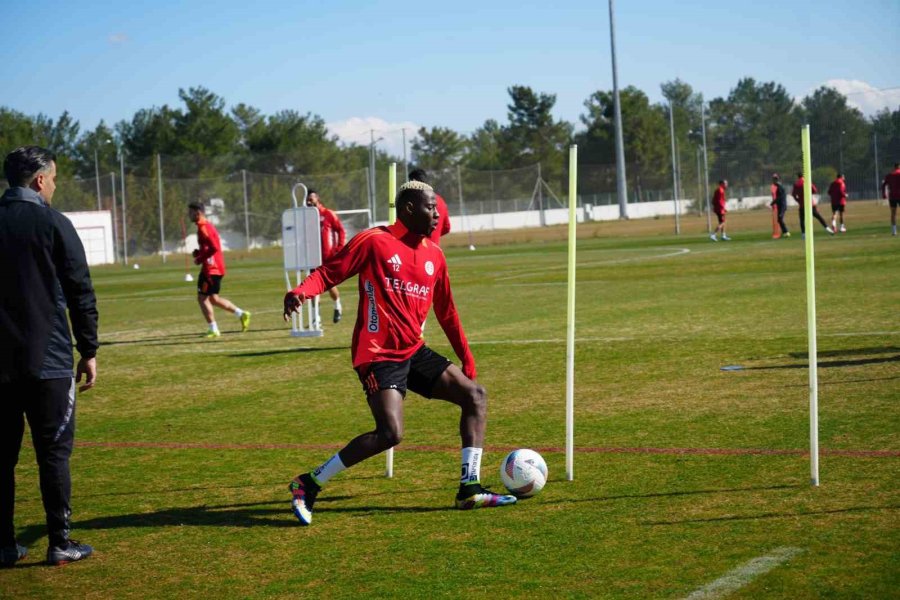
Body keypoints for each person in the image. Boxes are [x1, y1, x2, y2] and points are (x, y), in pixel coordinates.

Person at [282, 180, 516, 526]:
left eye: (437, 208)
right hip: (377, 353)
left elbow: (447, 311)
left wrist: (465, 356)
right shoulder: (375, 241)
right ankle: (309, 483)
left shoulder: (435, 255)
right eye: (430, 208)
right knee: (390, 433)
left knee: (475, 397)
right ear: (408, 209)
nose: (437, 215)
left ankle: (470, 489)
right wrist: (302, 290)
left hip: (413, 350)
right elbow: (333, 270)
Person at [0, 146, 97, 566]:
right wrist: (89, 348)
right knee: (53, 453)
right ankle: (60, 542)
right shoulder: (53, 222)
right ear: (40, 180)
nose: (54, 185)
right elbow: (80, 290)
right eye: (53, 178)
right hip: (49, 361)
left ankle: (4, 545)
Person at [189, 202, 250, 337]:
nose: (189, 215)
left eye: (191, 213)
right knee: (213, 299)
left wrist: (200, 259)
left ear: (198, 213)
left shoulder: (204, 227)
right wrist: (199, 253)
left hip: (211, 269)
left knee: (202, 298)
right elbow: (209, 248)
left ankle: (213, 329)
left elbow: (214, 248)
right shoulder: (205, 226)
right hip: (215, 268)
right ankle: (242, 314)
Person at [305, 190, 346, 324]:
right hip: (312, 257)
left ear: (317, 198)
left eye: (311, 198)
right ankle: (316, 317)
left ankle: (337, 306)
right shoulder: (306, 217)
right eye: (308, 199)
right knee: (313, 287)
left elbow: (340, 230)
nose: (309, 201)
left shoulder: (328, 214)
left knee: (329, 285)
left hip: (327, 257)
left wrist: (338, 248)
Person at [408, 169, 451, 245]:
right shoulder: (441, 200)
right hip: (434, 250)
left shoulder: (414, 202)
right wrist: (434, 236)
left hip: (416, 249)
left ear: (413, 181)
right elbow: (446, 228)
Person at [791, 172, 834, 238]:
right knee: (818, 216)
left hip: (802, 204)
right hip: (810, 203)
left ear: (798, 176)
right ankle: (827, 228)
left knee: (802, 219)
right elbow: (814, 190)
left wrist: (798, 200)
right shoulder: (807, 181)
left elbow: (793, 194)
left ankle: (803, 234)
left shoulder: (796, 184)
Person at [881, 162, 900, 236]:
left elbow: (883, 185)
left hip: (892, 196)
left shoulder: (889, 175)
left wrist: (884, 194)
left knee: (893, 213)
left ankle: (894, 231)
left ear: (894, 167)